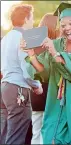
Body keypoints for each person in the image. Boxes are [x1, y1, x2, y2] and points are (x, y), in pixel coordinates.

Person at [20, 2, 71, 144]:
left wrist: (55, 53)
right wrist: (31, 54)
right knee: (50, 137)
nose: (67, 28)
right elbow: (43, 70)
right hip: (55, 104)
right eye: (63, 25)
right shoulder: (56, 43)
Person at [0, 4, 43, 144]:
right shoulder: (24, 37)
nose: (32, 22)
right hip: (18, 88)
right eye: (32, 18)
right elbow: (26, 68)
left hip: (4, 88)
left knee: (5, 134)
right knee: (16, 137)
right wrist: (36, 85)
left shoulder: (5, 38)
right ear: (25, 19)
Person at [29, 13, 60, 144]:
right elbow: (46, 72)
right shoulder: (51, 46)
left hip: (34, 93)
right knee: (50, 133)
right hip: (49, 93)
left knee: (36, 133)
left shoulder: (33, 44)